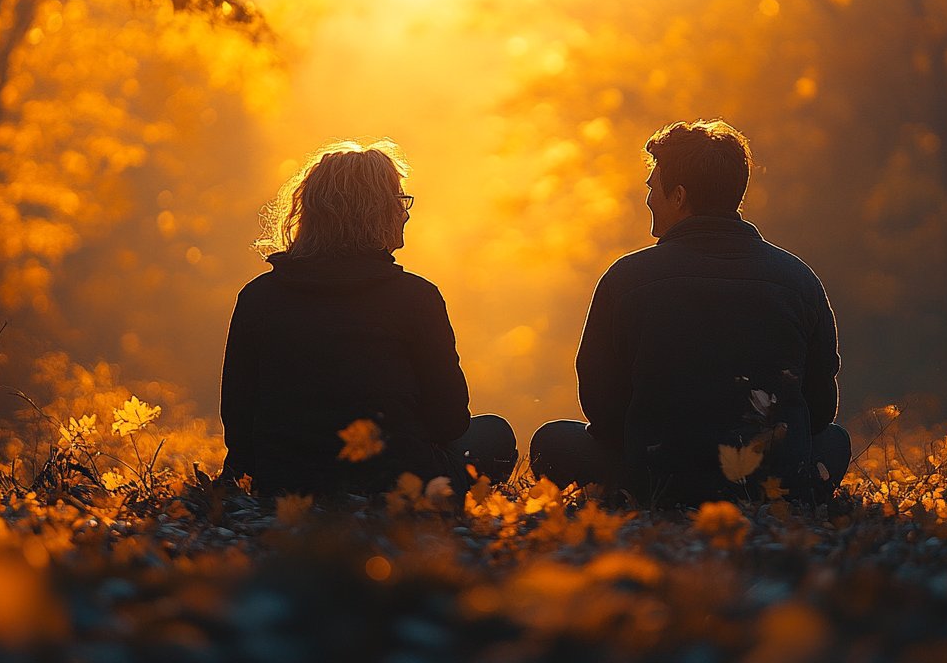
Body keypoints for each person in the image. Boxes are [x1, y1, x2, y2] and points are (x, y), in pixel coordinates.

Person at [530, 120, 849, 506]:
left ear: (678, 196)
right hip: (770, 483)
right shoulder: (799, 280)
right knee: (834, 442)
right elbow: (819, 410)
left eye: (652, 187)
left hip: (657, 479)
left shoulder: (625, 278)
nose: (648, 199)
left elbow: (602, 406)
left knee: (552, 440)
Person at [220, 140, 516, 496]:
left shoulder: (259, 296)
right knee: (493, 433)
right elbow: (450, 420)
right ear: (376, 213)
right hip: (398, 485)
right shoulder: (416, 298)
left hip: (286, 486)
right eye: (398, 202)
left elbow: (238, 420)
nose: (405, 214)